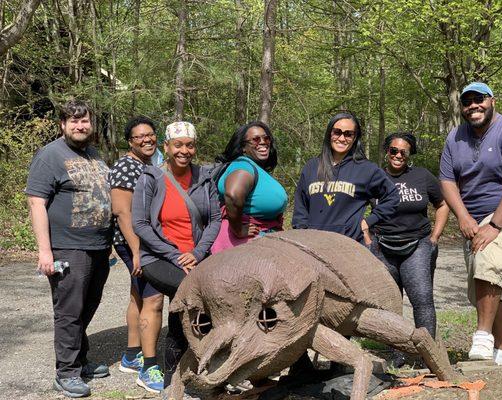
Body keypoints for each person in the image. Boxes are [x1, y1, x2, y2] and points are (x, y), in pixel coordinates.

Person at [440, 82, 502, 367]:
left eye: (479, 99)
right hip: (473, 219)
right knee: (480, 286)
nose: (472, 106)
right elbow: (446, 181)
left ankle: (482, 335)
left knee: (487, 260)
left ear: (492, 101)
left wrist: (493, 226)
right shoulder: (455, 137)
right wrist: (464, 218)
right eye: (466, 102)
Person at [26, 99, 112, 398]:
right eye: (73, 121)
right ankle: (66, 372)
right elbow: (37, 203)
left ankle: (80, 359)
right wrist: (45, 251)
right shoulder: (50, 155)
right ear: (63, 124)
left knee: (87, 306)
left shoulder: (94, 153)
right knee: (69, 311)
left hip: (98, 246)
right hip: (67, 247)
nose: (80, 125)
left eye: (84, 120)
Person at [132, 121, 221, 389]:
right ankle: (172, 372)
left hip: (195, 255)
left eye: (190, 145)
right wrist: (174, 255)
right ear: (167, 147)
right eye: (178, 145)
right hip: (158, 258)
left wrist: (197, 252)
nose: (184, 150)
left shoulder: (205, 178)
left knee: (195, 301)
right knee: (190, 293)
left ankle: (196, 366)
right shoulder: (151, 178)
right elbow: (140, 224)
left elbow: (215, 219)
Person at [369, 133, 449, 341]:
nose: (398, 155)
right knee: (390, 302)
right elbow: (355, 207)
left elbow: (442, 204)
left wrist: (435, 236)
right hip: (383, 246)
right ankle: (398, 351)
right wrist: (368, 240)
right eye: (393, 150)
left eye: (403, 152)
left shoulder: (422, 176)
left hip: (418, 245)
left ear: (410, 154)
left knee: (422, 299)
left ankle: (428, 352)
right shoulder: (373, 177)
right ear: (387, 152)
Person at [108, 116, 165, 393]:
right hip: (135, 243)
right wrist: (136, 252)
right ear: (130, 141)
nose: (147, 140)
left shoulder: (149, 165)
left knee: (138, 295)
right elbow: (122, 212)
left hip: (145, 243)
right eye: (140, 136)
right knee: (153, 299)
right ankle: (149, 368)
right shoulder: (125, 166)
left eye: (150, 135)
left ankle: (132, 355)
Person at [292, 112, 398, 245]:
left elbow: (392, 197)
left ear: (355, 138)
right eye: (337, 132)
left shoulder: (366, 169)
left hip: (348, 247)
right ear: (329, 134)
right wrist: (301, 234)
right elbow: (300, 208)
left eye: (348, 134)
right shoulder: (312, 167)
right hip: (313, 244)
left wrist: (369, 221)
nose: (342, 138)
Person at [211, 121, 287, 253]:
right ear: (243, 148)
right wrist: (238, 229)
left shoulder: (254, 167)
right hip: (242, 245)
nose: (263, 142)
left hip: (258, 238)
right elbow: (233, 195)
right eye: (256, 139)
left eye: (266, 138)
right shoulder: (243, 166)